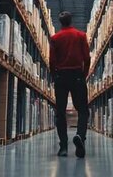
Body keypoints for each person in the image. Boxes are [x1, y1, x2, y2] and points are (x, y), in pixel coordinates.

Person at [49, 11, 91, 158]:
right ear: (71, 20)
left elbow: (52, 61)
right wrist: (83, 74)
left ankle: (64, 147)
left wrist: (55, 77)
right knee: (83, 110)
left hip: (61, 76)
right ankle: (80, 136)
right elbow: (87, 58)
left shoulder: (55, 38)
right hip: (77, 75)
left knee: (60, 113)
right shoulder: (81, 36)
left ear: (60, 22)